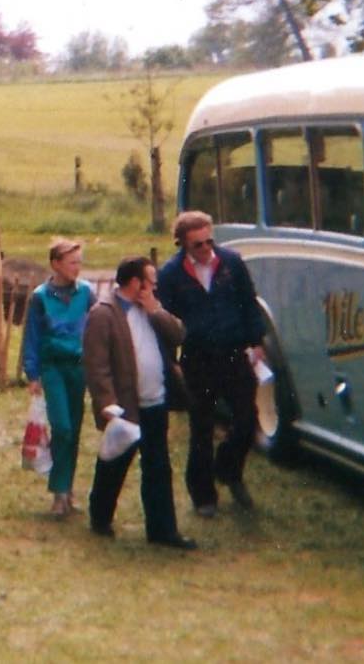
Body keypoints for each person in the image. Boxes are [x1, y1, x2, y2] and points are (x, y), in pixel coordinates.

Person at [156, 211, 266, 517]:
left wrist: (256, 341)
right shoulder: (171, 275)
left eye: (209, 241)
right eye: (198, 245)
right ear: (183, 245)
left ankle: (229, 469)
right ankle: (203, 496)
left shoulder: (231, 263)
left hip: (234, 353)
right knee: (201, 429)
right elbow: (165, 320)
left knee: (247, 420)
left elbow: (249, 302)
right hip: (199, 359)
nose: (206, 249)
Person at [83, 255, 195, 549]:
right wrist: (107, 404)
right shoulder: (103, 314)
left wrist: (156, 310)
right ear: (136, 283)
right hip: (125, 408)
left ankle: (162, 530)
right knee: (116, 464)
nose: (154, 287)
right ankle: (100, 516)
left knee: (158, 467)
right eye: (151, 283)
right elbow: (96, 365)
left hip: (155, 401)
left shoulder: (151, 310)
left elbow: (179, 334)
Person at [23, 238, 95, 518]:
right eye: (71, 262)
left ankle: (66, 490)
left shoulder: (86, 293)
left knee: (74, 429)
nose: (77, 267)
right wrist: (32, 373)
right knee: (61, 426)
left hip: (79, 366)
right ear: (55, 264)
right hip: (53, 367)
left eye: (79, 262)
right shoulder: (41, 297)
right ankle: (58, 489)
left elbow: (97, 326)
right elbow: (32, 337)